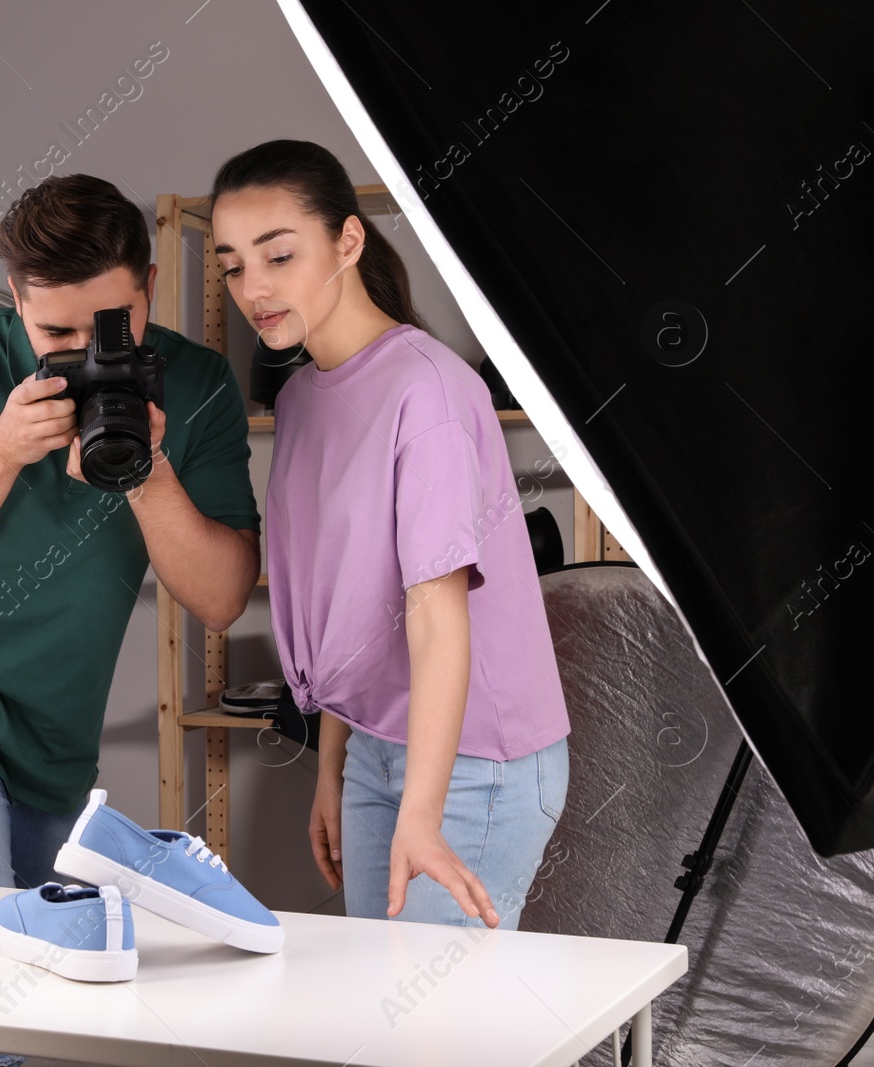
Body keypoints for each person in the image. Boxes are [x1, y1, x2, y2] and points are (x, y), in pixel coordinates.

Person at [0, 174, 261, 1067]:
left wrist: (148, 471)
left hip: (57, 741)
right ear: (14, 299)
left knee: (65, 1012)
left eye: (110, 328)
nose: (83, 357)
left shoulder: (194, 387)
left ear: (149, 285)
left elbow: (224, 595)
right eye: (56, 335)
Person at [208, 140, 570, 930]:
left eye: (278, 255)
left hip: (477, 760)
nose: (254, 288)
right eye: (233, 265)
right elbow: (357, 608)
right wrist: (334, 766)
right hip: (377, 739)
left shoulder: (429, 390)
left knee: (431, 1031)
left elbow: (438, 617)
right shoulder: (302, 399)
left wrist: (422, 810)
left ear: (348, 240)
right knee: (388, 1017)